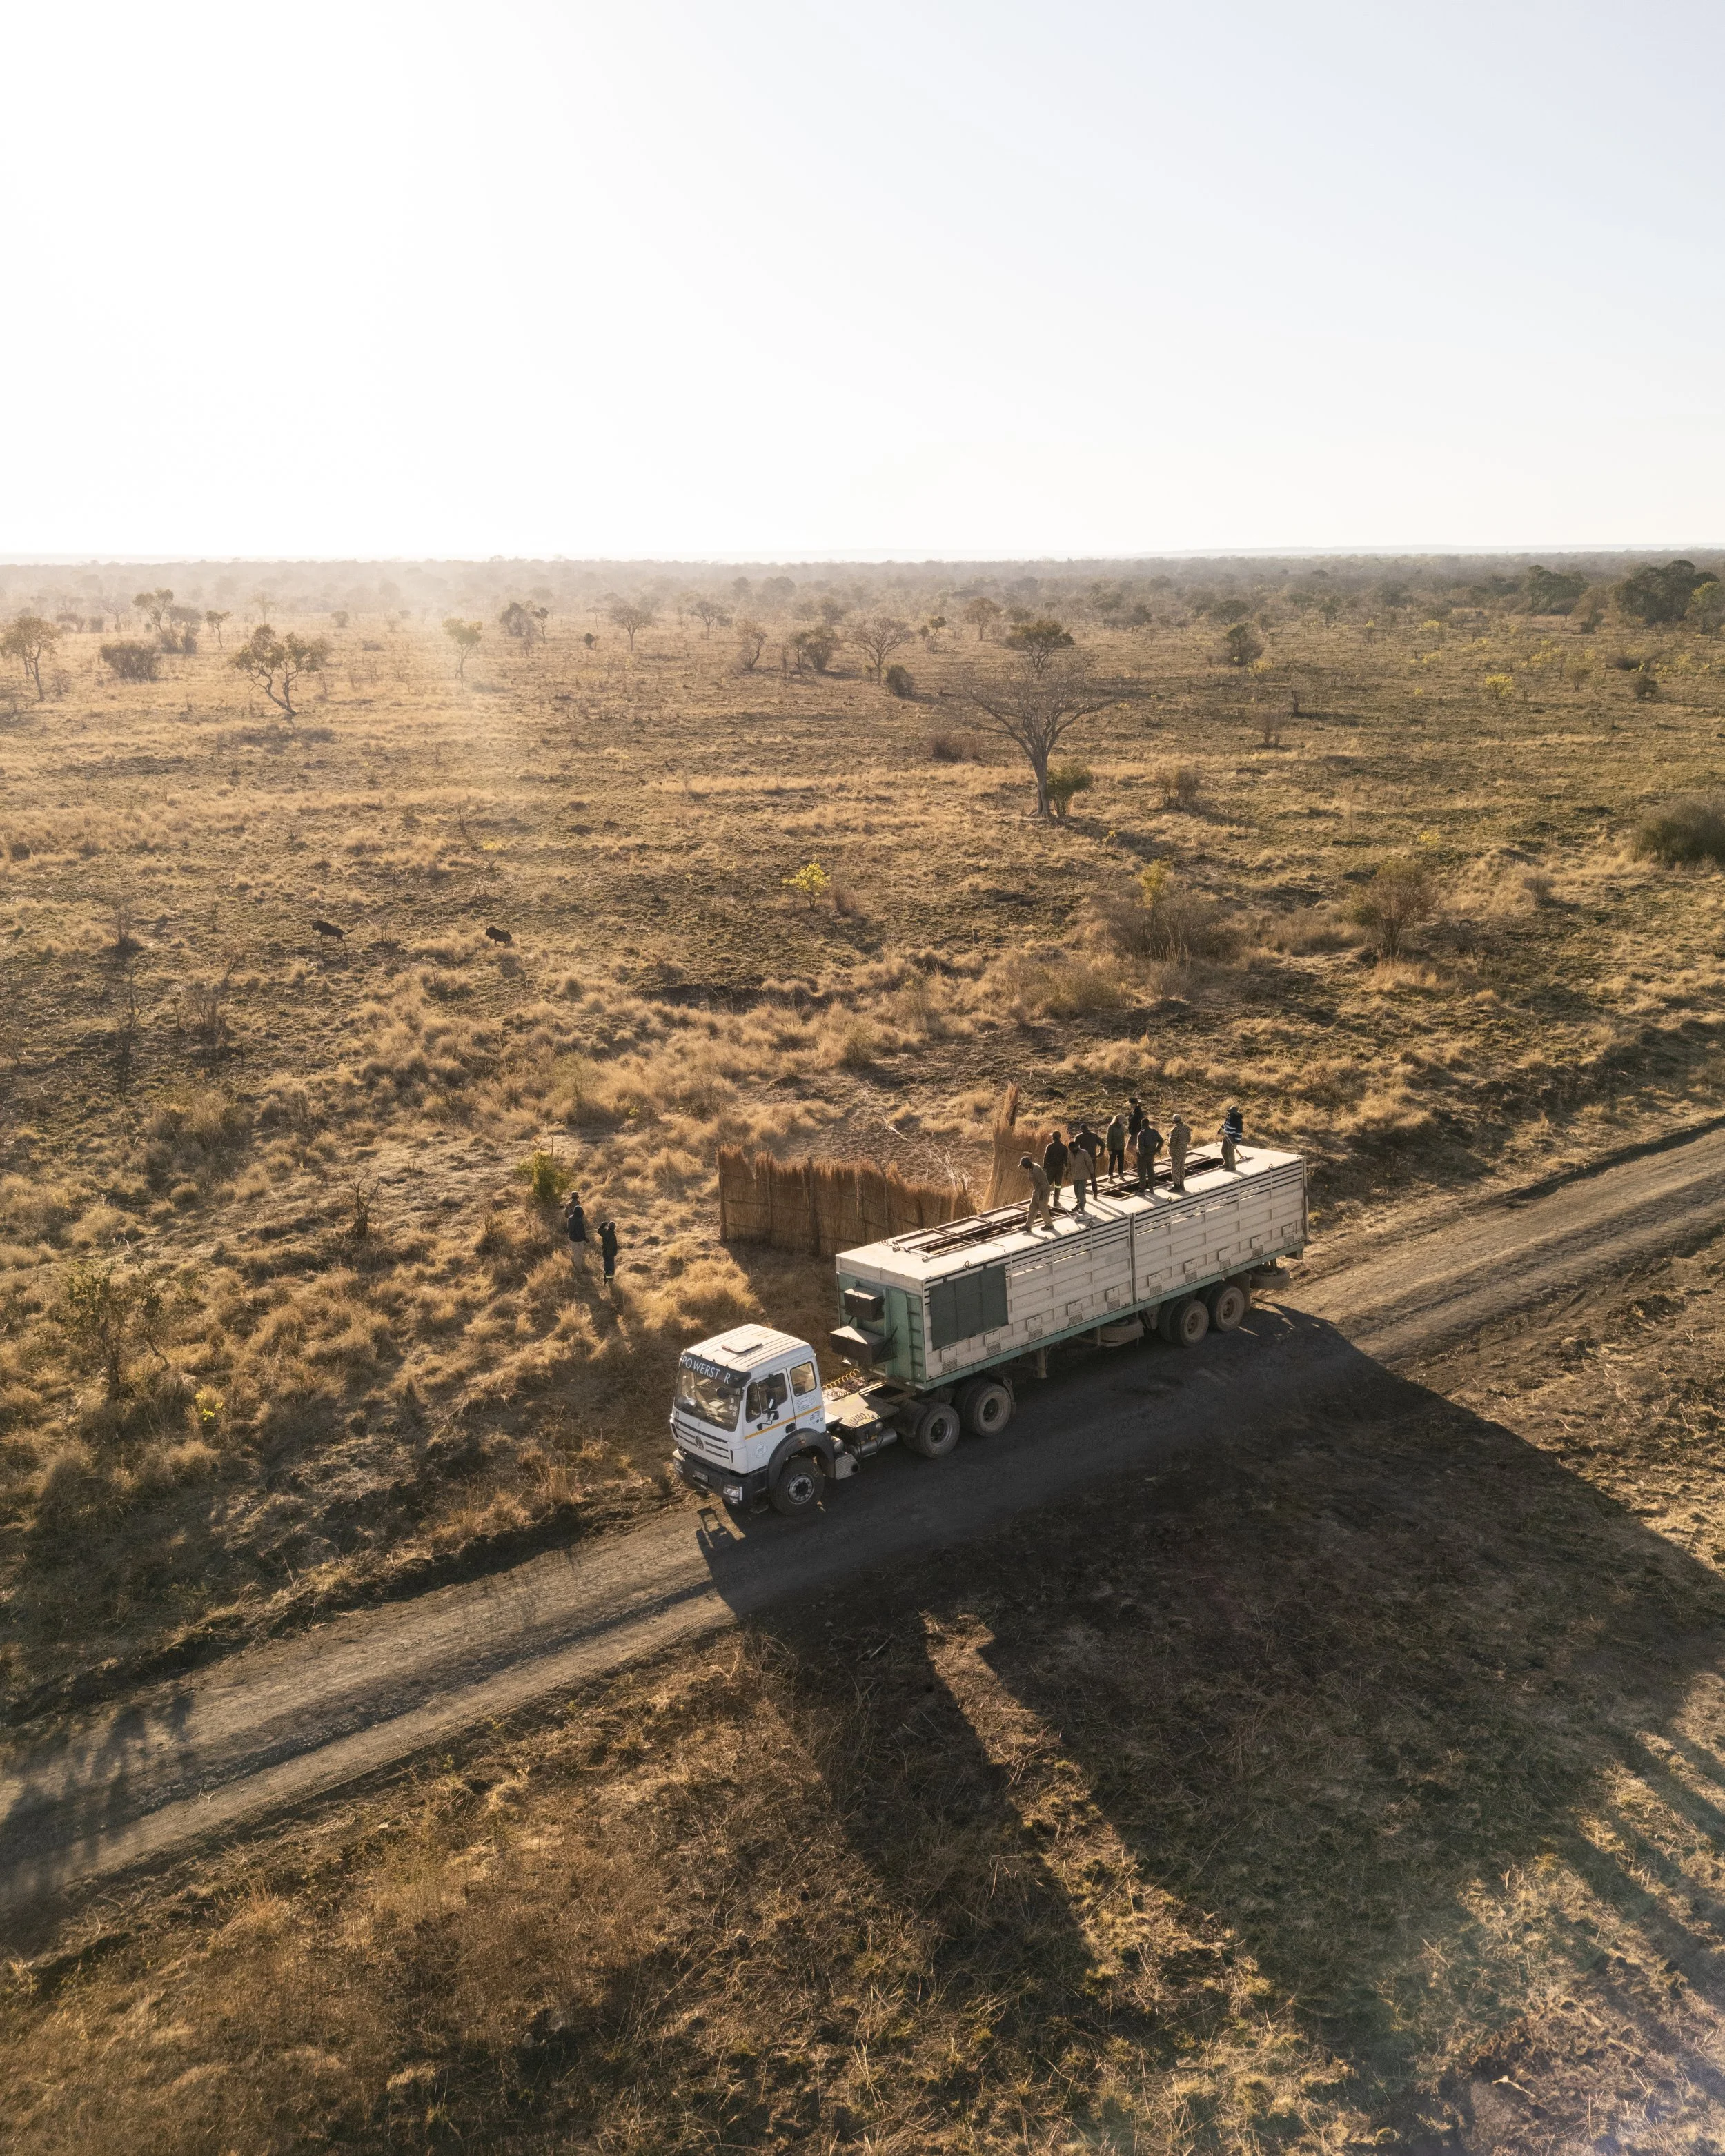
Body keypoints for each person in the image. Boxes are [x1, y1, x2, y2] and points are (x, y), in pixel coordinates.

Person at [1020, 1154, 1055, 1232]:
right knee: (1032, 1208)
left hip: (1043, 1190)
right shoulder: (1030, 1168)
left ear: (1027, 1163)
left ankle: (1050, 1225)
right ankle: (1028, 1226)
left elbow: (1044, 1183)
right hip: (1037, 1190)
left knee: (1043, 1208)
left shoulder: (1036, 1169)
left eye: (1024, 1165)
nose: (1024, 1167)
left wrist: (1042, 1194)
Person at [1070, 1122, 1101, 1208]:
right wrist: (1100, 1154)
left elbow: (1075, 1148)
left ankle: (1080, 1199)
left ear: (1081, 1129)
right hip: (1093, 1158)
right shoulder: (1094, 1135)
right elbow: (1102, 1144)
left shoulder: (1079, 1137)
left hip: (1082, 1160)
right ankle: (1095, 1194)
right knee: (1093, 1176)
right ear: (1088, 1128)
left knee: (1082, 1177)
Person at [1042, 1130, 1070, 1210]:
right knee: (1058, 1186)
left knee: (1048, 1186)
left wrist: (1044, 1167)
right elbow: (1066, 1160)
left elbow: (1046, 1157)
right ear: (1060, 1138)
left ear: (1053, 1138)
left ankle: (1046, 1202)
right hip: (1060, 1169)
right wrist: (1067, 1169)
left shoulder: (1050, 1146)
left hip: (1051, 1169)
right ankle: (1056, 1202)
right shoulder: (1064, 1148)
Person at [1133, 1117, 1163, 1191]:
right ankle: (1151, 1186)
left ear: (1142, 1125)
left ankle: (1142, 1189)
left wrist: (1142, 1155)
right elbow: (1161, 1141)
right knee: (1151, 1171)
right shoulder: (1154, 1132)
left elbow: (1140, 1146)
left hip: (1143, 1156)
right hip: (1151, 1154)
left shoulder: (1141, 1134)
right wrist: (1157, 1150)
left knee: (1142, 1172)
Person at [564, 1189, 589, 1272]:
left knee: (573, 1245)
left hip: (571, 1225)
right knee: (579, 1249)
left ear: (571, 1197)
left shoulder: (568, 1205)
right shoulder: (578, 1205)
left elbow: (566, 1215)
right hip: (578, 1225)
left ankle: (574, 1259)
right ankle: (578, 1268)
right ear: (577, 1197)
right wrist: (584, 1238)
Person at [1167, 1111, 1192, 1193]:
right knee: (1182, 1167)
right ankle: (1182, 1185)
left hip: (1176, 1152)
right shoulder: (1187, 1128)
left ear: (1174, 1121)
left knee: (1175, 1168)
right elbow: (1188, 1139)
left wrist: (1167, 1141)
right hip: (1183, 1150)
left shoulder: (1174, 1130)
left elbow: (1171, 1143)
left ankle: (1176, 1186)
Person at [1219, 1105, 1243, 1173]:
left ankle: (1232, 1167)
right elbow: (1225, 1124)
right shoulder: (1229, 1116)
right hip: (1226, 1135)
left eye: (1232, 1112)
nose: (1230, 1113)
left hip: (1232, 1137)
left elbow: (1239, 1132)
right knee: (1224, 1150)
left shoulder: (1238, 1121)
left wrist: (1236, 1142)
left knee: (1230, 1153)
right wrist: (1220, 1130)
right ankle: (1227, 1164)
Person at [1105, 1111, 1127, 1181]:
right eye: (1122, 1120)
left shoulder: (1122, 1127)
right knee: (1112, 1162)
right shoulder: (1111, 1127)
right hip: (1113, 1148)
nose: (1123, 1122)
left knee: (1121, 1162)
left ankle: (1121, 1175)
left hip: (1121, 1147)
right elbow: (1108, 1138)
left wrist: (1124, 1144)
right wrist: (1109, 1149)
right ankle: (1110, 1176)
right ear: (1118, 1120)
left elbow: (1123, 1136)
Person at [599, 1218, 619, 1284]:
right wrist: (612, 1255)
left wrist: (602, 1225)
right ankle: (610, 1282)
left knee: (606, 1267)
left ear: (608, 1227)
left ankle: (605, 1279)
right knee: (611, 1269)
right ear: (614, 1228)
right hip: (609, 1254)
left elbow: (599, 1231)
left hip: (605, 1252)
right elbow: (611, 1247)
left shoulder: (605, 1232)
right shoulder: (613, 1236)